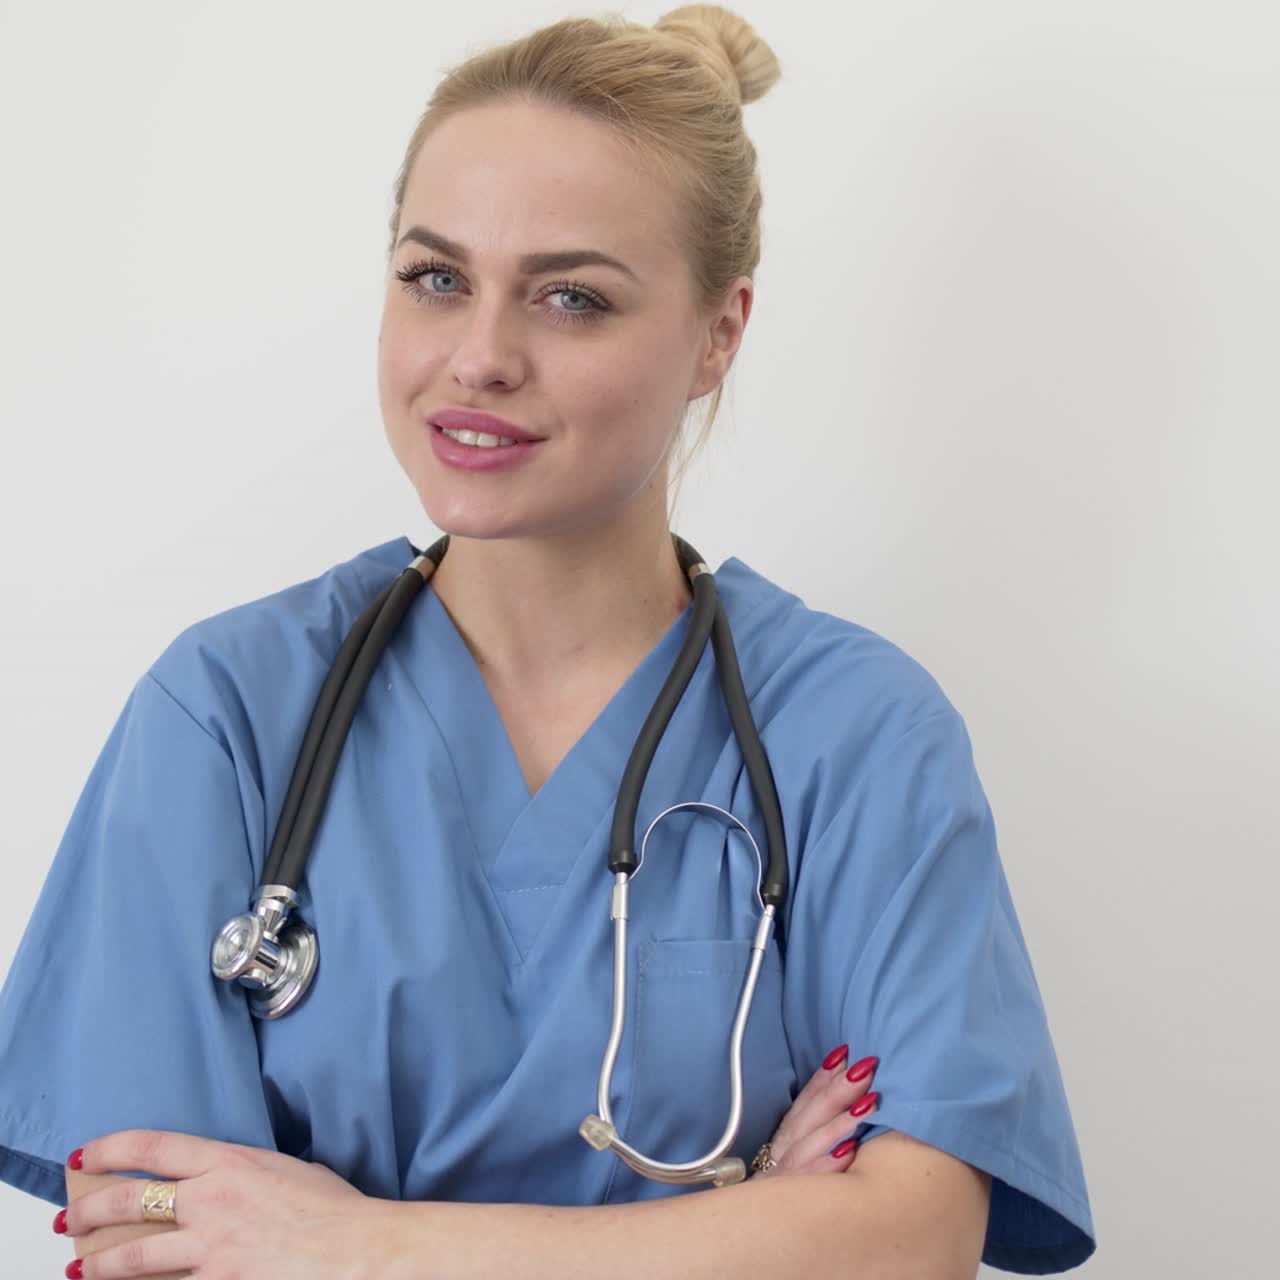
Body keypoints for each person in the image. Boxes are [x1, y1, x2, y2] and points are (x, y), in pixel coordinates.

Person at [0, 5, 1096, 1277]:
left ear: (718, 332)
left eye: (570, 298)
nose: (478, 356)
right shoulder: (230, 711)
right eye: (435, 277)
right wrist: (745, 1227)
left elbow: (911, 1238)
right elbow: (157, 1239)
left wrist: (353, 1242)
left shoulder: (852, 730)